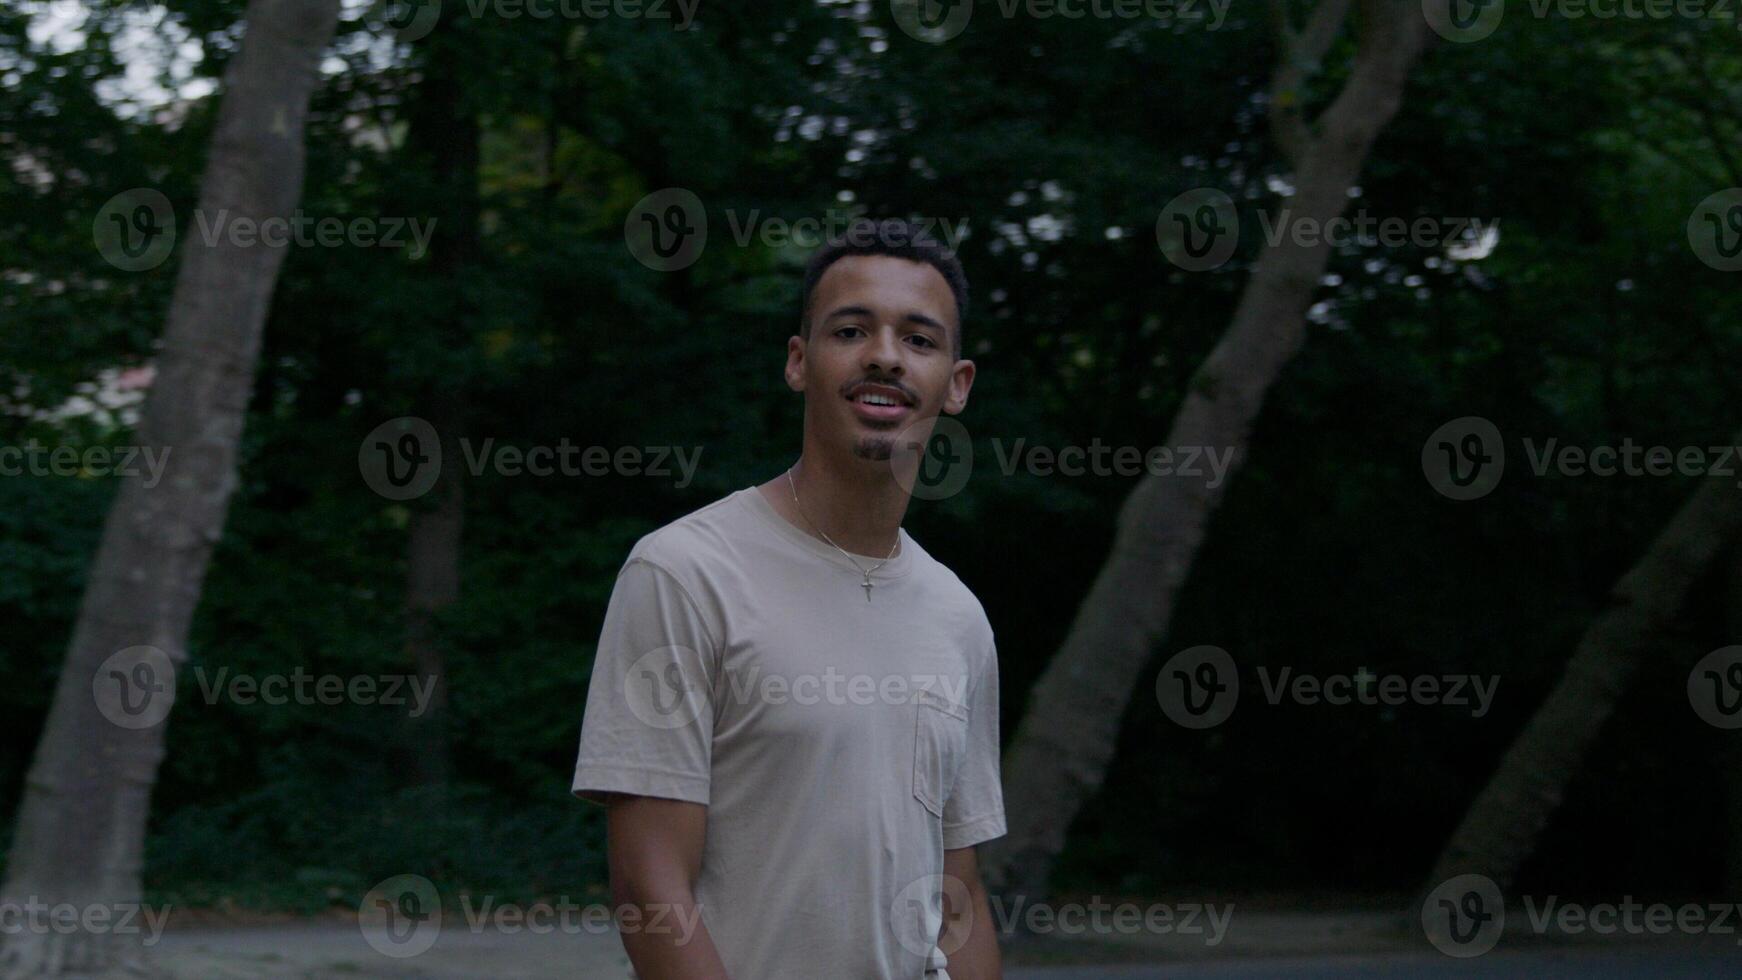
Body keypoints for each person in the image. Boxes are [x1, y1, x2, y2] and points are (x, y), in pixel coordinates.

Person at [572, 217, 1006, 979]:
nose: (884, 356)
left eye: (919, 339)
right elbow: (651, 888)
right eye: (851, 329)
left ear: (957, 383)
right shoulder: (684, 574)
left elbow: (958, 893)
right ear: (800, 362)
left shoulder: (957, 617)